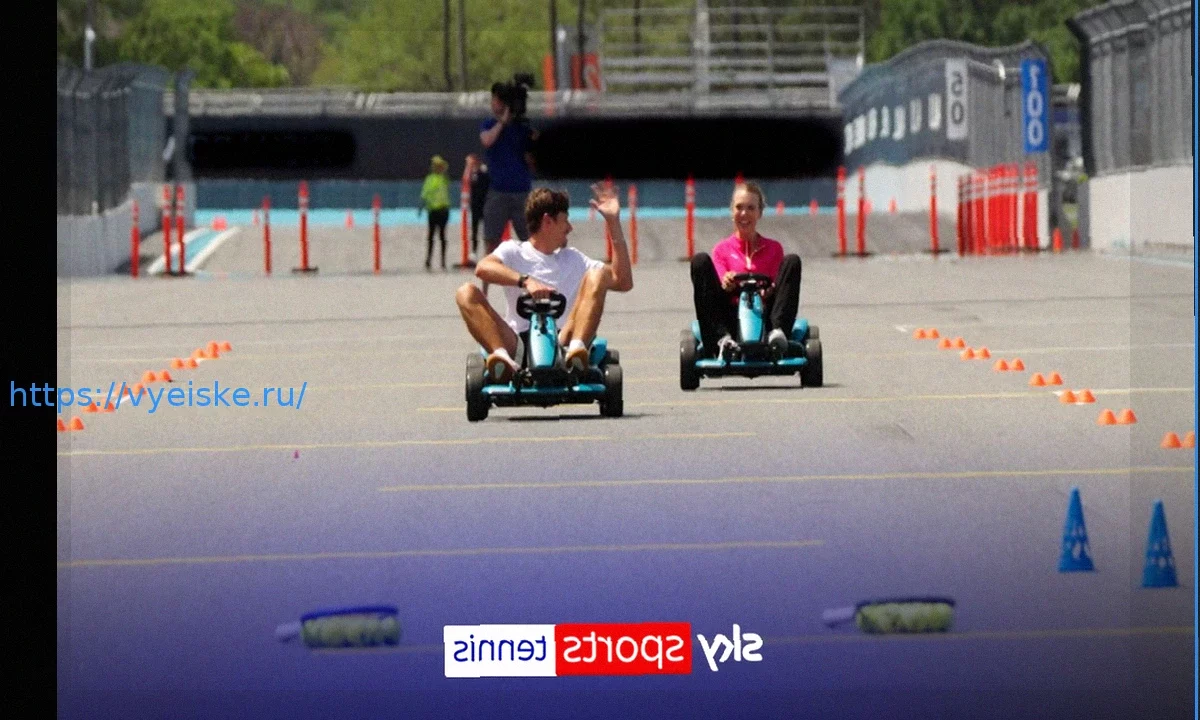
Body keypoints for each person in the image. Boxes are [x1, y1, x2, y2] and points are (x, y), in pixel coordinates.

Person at [455, 184, 634, 384]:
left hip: (563, 340)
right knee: (465, 292)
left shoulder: (574, 259)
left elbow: (623, 281)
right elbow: (483, 268)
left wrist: (613, 223)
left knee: (597, 275)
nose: (570, 228)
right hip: (518, 343)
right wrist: (526, 281)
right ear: (548, 221)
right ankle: (502, 361)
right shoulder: (514, 251)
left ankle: (576, 353)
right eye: (565, 221)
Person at [690, 181, 802, 361]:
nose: (744, 214)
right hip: (731, 315)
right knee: (700, 261)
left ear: (759, 213)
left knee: (792, 261)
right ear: (732, 212)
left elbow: (778, 287)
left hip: (765, 315)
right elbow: (719, 282)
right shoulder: (722, 250)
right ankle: (722, 340)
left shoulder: (774, 249)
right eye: (739, 207)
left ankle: (777, 335)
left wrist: (768, 289)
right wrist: (726, 282)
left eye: (750, 208)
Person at [478, 81, 536, 256]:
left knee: (531, 242)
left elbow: (532, 162)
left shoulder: (522, 129)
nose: (493, 104)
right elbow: (487, 140)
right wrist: (502, 123)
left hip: (521, 191)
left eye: (495, 100)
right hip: (498, 191)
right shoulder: (489, 124)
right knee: (491, 241)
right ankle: (486, 282)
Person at [419, 155, 452, 270]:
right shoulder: (429, 179)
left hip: (443, 210)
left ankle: (443, 261)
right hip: (433, 211)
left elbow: (446, 173)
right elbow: (424, 193)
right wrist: (421, 207)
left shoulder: (444, 178)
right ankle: (428, 260)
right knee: (431, 237)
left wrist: (442, 165)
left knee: (442, 236)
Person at [463, 153, 490, 260]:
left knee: (487, 230)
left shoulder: (484, 172)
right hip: (475, 206)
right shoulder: (471, 174)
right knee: (474, 229)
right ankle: (474, 251)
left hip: (485, 204)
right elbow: (467, 182)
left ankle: (487, 251)